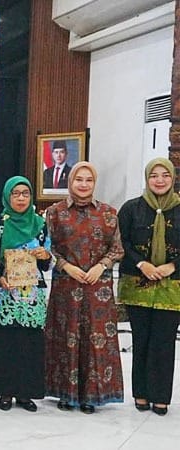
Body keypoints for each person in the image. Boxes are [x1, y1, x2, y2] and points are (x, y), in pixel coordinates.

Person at [44, 162, 124, 414]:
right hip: (66, 286)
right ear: (70, 181)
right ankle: (65, 393)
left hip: (97, 288)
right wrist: (66, 266)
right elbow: (48, 248)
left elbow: (117, 249)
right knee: (65, 336)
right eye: (79, 179)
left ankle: (92, 395)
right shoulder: (55, 213)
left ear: (94, 183)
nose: (84, 184)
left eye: (89, 180)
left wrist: (101, 266)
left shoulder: (108, 213)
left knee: (94, 339)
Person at [0, 176, 51, 412]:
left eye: (25, 193)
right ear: (7, 196)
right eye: (16, 194)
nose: (21, 198)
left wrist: (45, 256)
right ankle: (5, 390)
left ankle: (25, 392)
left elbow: (47, 261)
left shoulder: (40, 224)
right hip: (4, 291)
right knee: (4, 341)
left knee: (29, 342)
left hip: (32, 293)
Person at [117, 157, 180, 416]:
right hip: (137, 283)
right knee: (141, 339)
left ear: (173, 178)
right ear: (147, 178)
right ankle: (141, 393)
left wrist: (172, 266)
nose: (159, 180)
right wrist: (142, 264)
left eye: (165, 175)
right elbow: (121, 242)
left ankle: (161, 397)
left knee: (163, 342)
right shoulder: (131, 208)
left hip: (172, 286)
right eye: (154, 175)